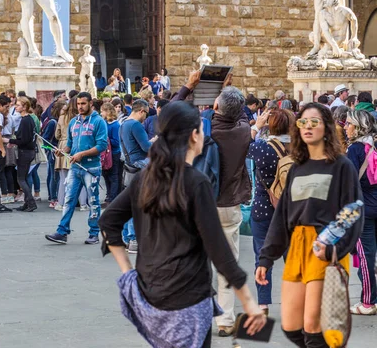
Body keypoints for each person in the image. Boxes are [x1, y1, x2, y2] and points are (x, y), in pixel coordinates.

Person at [99, 101, 266, 348]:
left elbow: (108, 220)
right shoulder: (196, 182)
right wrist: (249, 302)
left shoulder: (146, 178)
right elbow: (219, 250)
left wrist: (128, 273)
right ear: (193, 136)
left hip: (150, 293)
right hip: (187, 295)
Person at [256, 102, 363, 348]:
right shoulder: (297, 168)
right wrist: (266, 258)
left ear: (326, 127)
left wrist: (334, 248)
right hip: (297, 247)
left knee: (314, 328)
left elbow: (353, 210)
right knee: (292, 326)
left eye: (314, 121)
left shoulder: (341, 165)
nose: (307, 127)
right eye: (303, 122)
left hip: (324, 246)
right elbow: (282, 216)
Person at [211, 86, 252, 337]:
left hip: (203, 205)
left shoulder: (207, 130)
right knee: (228, 263)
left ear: (216, 107)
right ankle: (225, 320)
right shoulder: (243, 130)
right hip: (230, 204)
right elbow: (243, 115)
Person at [248, 109, 295, 317]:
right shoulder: (298, 148)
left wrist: (257, 126)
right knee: (292, 258)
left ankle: (263, 304)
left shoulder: (261, 147)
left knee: (262, 256)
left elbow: (244, 146)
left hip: (263, 207)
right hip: (291, 210)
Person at [45, 92, 108, 245]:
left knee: (93, 201)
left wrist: (82, 154)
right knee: (69, 200)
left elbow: (102, 145)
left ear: (90, 103)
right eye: (78, 104)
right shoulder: (73, 122)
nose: (80, 107)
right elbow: (70, 144)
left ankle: (93, 233)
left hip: (91, 168)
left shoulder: (99, 122)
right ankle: (62, 231)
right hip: (74, 168)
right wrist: (63, 151)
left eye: (83, 104)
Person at [345, 110, 377, 315]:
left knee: (365, 256)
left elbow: (349, 183)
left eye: (348, 123)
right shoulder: (374, 145)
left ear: (357, 127)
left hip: (363, 208)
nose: (345, 127)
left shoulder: (355, 150)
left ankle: (368, 302)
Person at [119, 99, 156, 252]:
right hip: (140, 165)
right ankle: (134, 239)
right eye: (146, 114)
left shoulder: (123, 124)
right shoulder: (135, 125)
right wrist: (155, 140)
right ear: (141, 110)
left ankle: (128, 238)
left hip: (128, 166)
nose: (146, 118)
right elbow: (146, 147)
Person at [12, 97, 38, 212]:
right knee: (24, 178)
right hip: (28, 151)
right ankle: (27, 202)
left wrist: (10, 141)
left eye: (18, 105)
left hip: (25, 151)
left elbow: (24, 140)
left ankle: (31, 202)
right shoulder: (28, 119)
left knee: (21, 178)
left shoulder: (26, 120)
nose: (16, 107)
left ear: (25, 107)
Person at [43, 99, 67, 208]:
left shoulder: (60, 121)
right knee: (54, 175)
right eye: (63, 110)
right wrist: (51, 148)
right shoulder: (53, 122)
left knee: (55, 174)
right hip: (53, 151)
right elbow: (45, 139)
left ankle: (54, 196)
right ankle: (53, 197)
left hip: (58, 151)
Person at [54, 97, 77, 211]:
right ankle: (82, 203)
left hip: (63, 144)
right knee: (78, 177)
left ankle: (61, 203)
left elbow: (57, 135)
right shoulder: (78, 118)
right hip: (75, 146)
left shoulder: (62, 117)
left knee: (63, 178)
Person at [100, 103, 121, 204]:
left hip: (113, 154)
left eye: (102, 111)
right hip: (105, 154)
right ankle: (109, 195)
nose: (101, 113)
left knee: (113, 175)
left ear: (107, 112)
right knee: (106, 174)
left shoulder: (115, 125)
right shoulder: (104, 123)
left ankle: (113, 197)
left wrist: (105, 140)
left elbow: (116, 142)